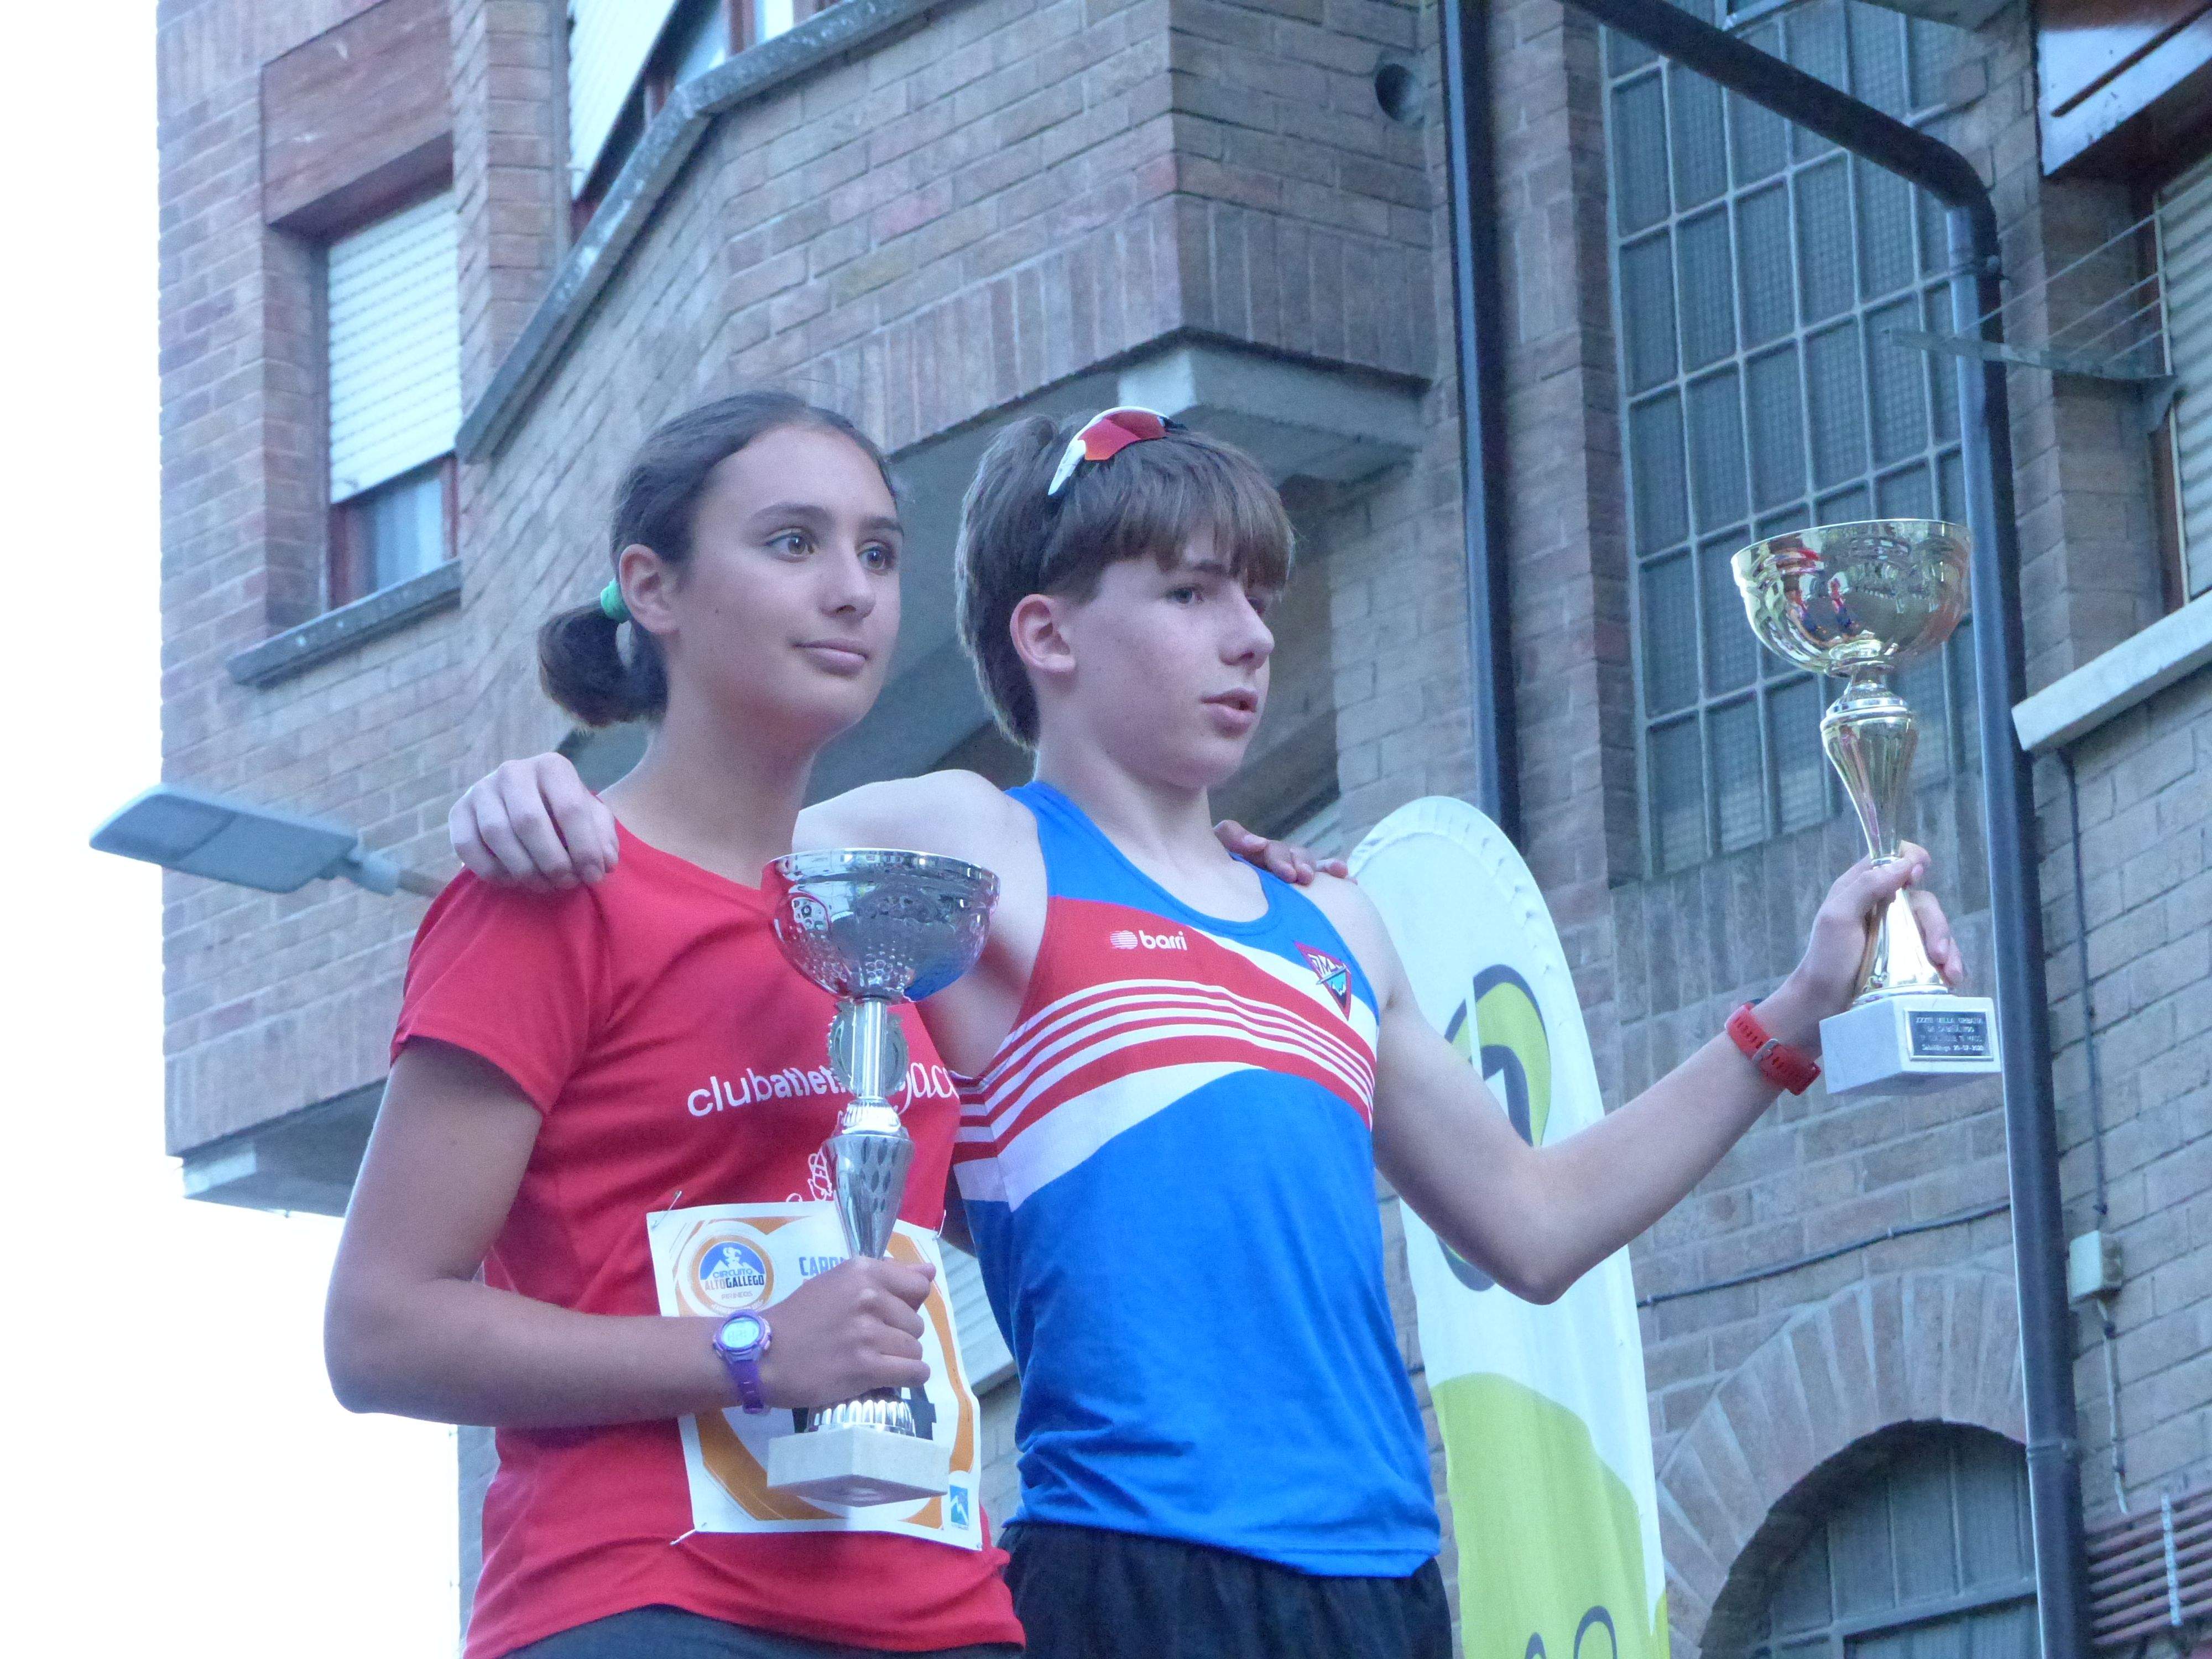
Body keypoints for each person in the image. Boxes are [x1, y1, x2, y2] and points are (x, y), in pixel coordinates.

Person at [452, 406, 1967, 1659]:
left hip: (1385, 1583)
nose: (1245, 637)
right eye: (1189, 595)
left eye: (1256, 597)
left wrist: (1788, 1024)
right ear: (1044, 633)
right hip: (1129, 1572)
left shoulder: (1333, 916)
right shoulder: (978, 847)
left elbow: (1534, 1221)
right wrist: (541, 801)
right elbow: (700, 842)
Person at [324, 393, 1027, 1659]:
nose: (853, 592)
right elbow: (379, 1331)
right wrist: (753, 1349)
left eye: (876, 552)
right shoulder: (548, 891)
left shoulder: (875, 929)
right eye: (793, 543)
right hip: (651, 1604)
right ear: (652, 587)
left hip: (945, 1612)